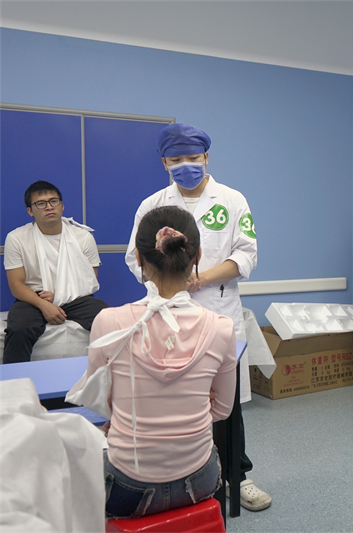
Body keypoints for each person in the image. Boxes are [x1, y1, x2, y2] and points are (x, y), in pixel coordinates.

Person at [124, 124, 271, 512]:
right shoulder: (152, 204)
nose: (185, 165)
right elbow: (133, 258)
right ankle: (177, 478)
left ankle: (238, 477)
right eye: (176, 160)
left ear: (206, 158)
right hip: (167, 314)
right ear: (164, 163)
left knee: (226, 403)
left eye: (193, 158)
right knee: (173, 399)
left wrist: (199, 279)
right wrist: (170, 282)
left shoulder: (232, 199)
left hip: (219, 311)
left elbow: (246, 255)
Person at [85, 206, 237, 518]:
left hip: (127, 487)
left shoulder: (108, 322)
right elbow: (222, 410)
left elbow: (99, 402)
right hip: (199, 479)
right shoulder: (221, 327)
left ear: (138, 259)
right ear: (197, 256)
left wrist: (134, 412)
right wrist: (186, 406)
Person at [3, 181, 108, 364]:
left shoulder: (83, 237)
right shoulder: (16, 238)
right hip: (33, 298)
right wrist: (43, 304)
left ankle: (114, 377)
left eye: (54, 201)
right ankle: (14, 381)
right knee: (19, 328)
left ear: (62, 205)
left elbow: (90, 280)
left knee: (108, 321)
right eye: (40, 203)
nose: (49, 207)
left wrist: (59, 295)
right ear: (30, 211)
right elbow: (16, 284)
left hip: (75, 295)